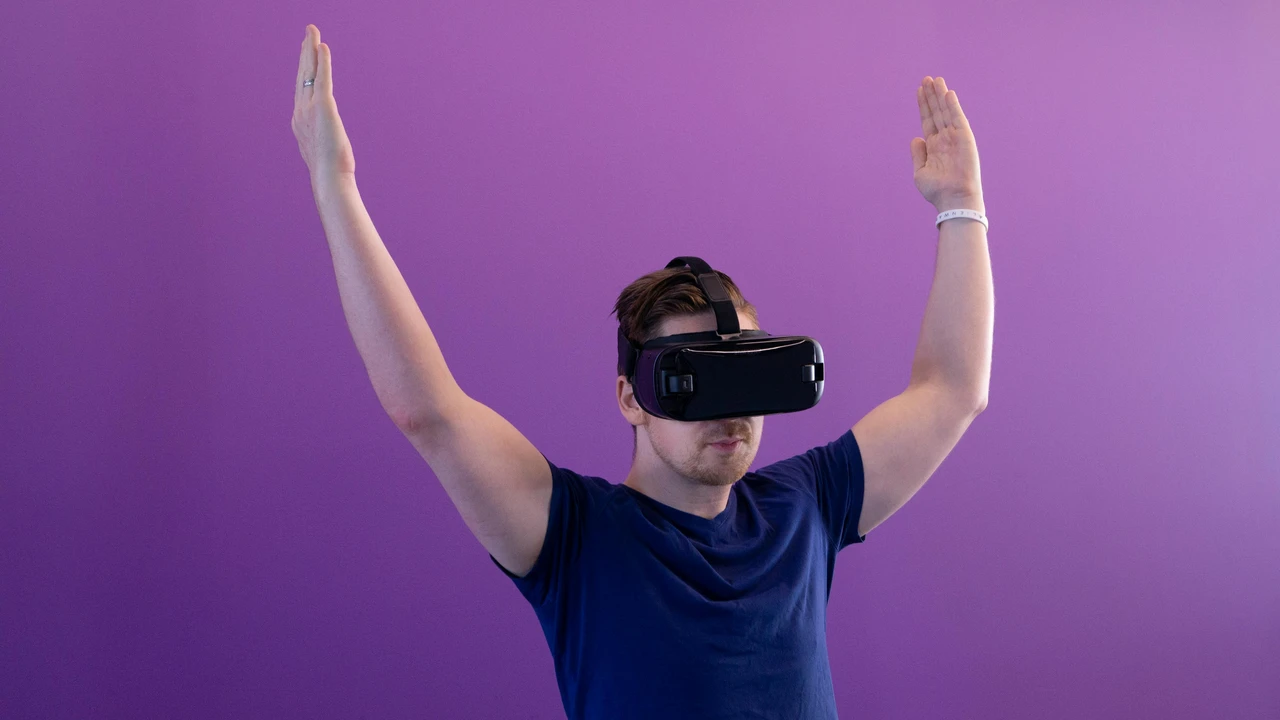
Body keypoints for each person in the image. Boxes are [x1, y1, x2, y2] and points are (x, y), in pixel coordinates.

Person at [292, 23, 992, 720]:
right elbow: (428, 409)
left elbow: (951, 391)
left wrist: (962, 208)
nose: (732, 413)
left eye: (746, 375)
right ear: (631, 397)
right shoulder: (575, 538)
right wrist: (335, 184)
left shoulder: (805, 508)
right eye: (696, 379)